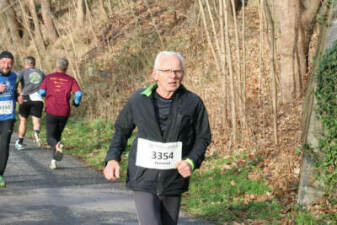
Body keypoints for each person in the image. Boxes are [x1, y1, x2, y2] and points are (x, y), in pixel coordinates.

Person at [103, 51, 211, 225]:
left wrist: (191, 161)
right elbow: (121, 131)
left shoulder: (192, 102)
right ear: (155, 74)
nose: (173, 76)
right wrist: (112, 159)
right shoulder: (138, 100)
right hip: (143, 178)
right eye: (167, 70)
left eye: (177, 71)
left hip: (173, 178)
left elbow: (203, 137)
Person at [39, 57, 82, 170]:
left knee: (50, 138)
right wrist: (76, 103)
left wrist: (47, 94)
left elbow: (41, 92)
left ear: (56, 66)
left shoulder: (48, 77)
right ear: (66, 67)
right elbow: (78, 94)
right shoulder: (71, 79)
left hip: (51, 110)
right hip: (64, 112)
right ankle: (53, 162)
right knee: (57, 136)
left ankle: (57, 148)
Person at [0, 51, 22, 187]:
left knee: (4, 147)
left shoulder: (14, 76)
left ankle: (0, 174)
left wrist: (18, 96)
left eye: (9, 63)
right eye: (3, 62)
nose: (6, 66)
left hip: (8, 116)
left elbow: (13, 91)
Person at [15, 56, 45, 150]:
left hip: (25, 97)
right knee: (36, 121)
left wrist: (17, 94)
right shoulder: (41, 73)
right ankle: (36, 132)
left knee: (23, 120)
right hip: (38, 99)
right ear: (34, 64)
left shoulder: (22, 71)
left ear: (25, 64)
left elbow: (14, 81)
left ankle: (20, 142)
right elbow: (45, 86)